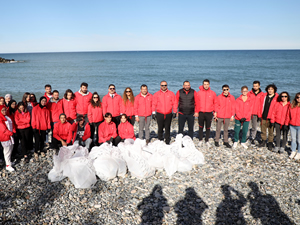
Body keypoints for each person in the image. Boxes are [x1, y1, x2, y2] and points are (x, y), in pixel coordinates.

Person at [152, 81, 177, 145]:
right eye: (162, 85)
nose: (164, 86)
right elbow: (154, 104)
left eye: (165, 85)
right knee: (160, 127)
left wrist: (174, 111)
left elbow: (174, 103)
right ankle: (160, 139)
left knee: (167, 127)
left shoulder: (171, 93)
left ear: (167, 86)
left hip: (168, 113)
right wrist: (153, 112)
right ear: (160, 86)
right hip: (160, 113)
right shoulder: (156, 94)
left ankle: (167, 140)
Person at [258, 84, 279, 150]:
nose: (270, 90)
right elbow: (260, 106)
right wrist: (259, 115)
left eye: (272, 89)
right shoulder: (264, 96)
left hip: (271, 118)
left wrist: (275, 118)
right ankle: (263, 141)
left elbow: (277, 109)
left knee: (271, 131)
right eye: (269, 89)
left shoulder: (277, 98)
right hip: (263, 116)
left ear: (274, 90)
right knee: (263, 130)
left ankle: (270, 142)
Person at [197, 79, 217, 147]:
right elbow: (196, 103)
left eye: (207, 84)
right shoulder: (199, 93)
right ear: (203, 85)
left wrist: (215, 112)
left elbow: (215, 103)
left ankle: (207, 140)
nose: (206, 86)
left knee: (208, 127)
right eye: (204, 84)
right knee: (200, 126)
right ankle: (200, 140)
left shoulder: (212, 93)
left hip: (209, 112)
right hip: (201, 112)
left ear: (209, 85)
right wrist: (196, 112)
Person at [31, 96, 51, 161]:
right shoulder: (35, 108)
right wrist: (33, 126)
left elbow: (48, 119)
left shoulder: (46, 109)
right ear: (40, 101)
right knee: (37, 140)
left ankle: (42, 150)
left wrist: (48, 127)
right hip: (36, 127)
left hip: (43, 126)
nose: (44, 102)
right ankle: (36, 151)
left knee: (43, 140)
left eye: (45, 101)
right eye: (42, 101)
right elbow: (33, 118)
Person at [0, 105, 16, 171]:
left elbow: (12, 125)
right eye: (2, 110)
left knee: (10, 149)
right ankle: (8, 165)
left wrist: (14, 131)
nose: (4, 111)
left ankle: (9, 162)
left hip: (10, 136)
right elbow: (3, 130)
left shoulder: (7, 117)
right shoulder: (0, 119)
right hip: (5, 137)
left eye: (5, 110)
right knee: (7, 151)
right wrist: (11, 133)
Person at [286, 93, 300, 159]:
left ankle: (299, 153)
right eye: (297, 97)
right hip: (292, 125)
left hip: (299, 125)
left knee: (299, 140)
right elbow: (288, 115)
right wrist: (287, 123)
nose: (299, 99)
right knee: (293, 139)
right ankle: (293, 151)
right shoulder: (292, 105)